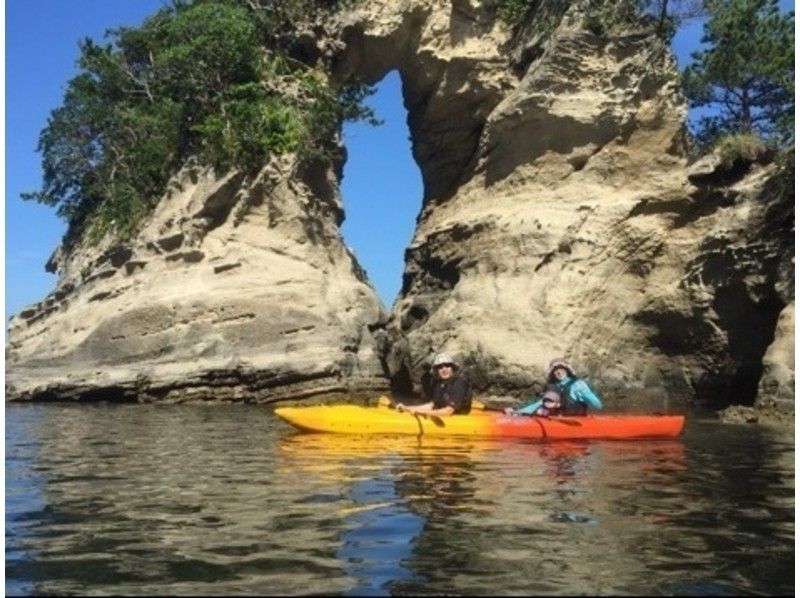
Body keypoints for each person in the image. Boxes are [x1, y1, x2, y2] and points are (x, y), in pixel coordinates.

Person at [395, 353, 472, 416]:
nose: (444, 369)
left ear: (453, 368)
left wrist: (423, 413)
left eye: (447, 366)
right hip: (444, 416)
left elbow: (448, 411)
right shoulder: (439, 384)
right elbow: (431, 405)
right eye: (440, 367)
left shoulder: (458, 384)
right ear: (436, 370)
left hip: (458, 421)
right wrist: (407, 408)